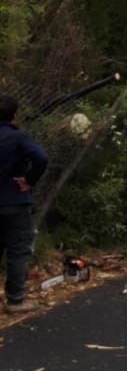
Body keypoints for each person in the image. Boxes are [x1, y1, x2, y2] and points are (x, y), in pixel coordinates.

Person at [0, 93, 49, 313]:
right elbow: (41, 157)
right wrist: (29, 180)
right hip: (14, 201)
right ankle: (14, 299)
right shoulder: (18, 138)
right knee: (18, 251)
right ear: (15, 116)